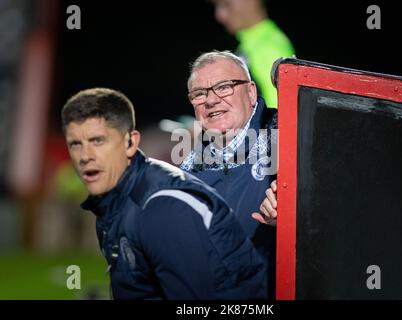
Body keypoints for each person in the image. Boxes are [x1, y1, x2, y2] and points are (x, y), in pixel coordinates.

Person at [61, 87, 267, 300]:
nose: (85, 156)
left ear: (130, 143)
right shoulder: (113, 203)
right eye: (75, 144)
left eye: (98, 141)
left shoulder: (163, 208)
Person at [181, 50, 277, 297]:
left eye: (224, 87)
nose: (211, 100)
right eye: (199, 94)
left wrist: (296, 215)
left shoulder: (290, 137)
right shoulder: (187, 174)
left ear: (251, 92)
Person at [211, 0, 295, 108]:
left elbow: (281, 110)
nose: (219, 15)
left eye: (226, 4)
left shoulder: (268, 45)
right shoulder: (250, 44)